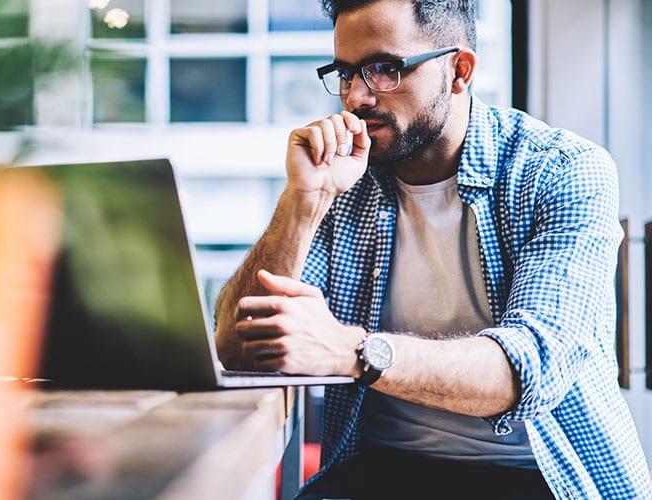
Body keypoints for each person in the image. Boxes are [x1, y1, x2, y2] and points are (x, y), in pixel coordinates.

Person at [213, 0, 652, 498]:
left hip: (543, 477)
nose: (356, 97)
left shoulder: (561, 171)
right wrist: (303, 201)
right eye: (345, 72)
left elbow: (524, 372)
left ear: (458, 71)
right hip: (381, 469)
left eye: (384, 69)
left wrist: (352, 352)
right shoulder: (346, 179)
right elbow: (236, 346)